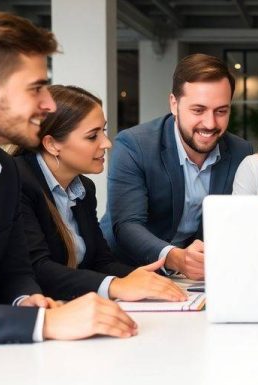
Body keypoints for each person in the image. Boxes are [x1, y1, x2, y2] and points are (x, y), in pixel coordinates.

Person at [0, 7, 136, 348]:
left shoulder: (2, 172)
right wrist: (43, 321)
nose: (48, 104)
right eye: (36, 88)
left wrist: (27, 299)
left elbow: (14, 272)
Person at [13, 85, 188, 302]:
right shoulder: (17, 182)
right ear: (52, 144)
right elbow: (38, 270)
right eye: (92, 136)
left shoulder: (84, 188)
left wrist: (145, 277)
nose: (106, 143)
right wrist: (117, 285)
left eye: (103, 131)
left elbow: (101, 262)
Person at [99, 54, 253, 280]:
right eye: (198, 110)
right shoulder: (134, 145)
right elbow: (126, 225)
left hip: (197, 277)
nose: (210, 124)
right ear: (174, 103)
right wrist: (175, 258)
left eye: (221, 111)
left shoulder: (241, 152)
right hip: (128, 269)